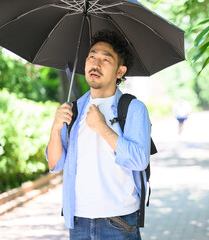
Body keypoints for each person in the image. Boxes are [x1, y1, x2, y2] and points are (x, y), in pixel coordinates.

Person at [46, 30, 151, 240]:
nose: (96, 64)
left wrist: (102, 128)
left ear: (120, 71)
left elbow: (140, 160)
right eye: (92, 57)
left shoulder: (133, 108)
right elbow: (55, 164)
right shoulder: (74, 109)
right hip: (78, 221)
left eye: (106, 59)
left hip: (118, 221)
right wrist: (55, 129)